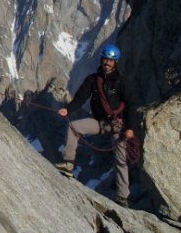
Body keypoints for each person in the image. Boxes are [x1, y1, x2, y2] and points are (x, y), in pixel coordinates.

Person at [55, 44, 136, 207]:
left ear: (115, 63)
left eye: (111, 61)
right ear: (102, 59)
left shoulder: (121, 82)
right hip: (99, 122)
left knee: (120, 160)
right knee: (74, 127)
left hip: (117, 126)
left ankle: (122, 197)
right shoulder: (92, 80)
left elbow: (130, 105)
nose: (107, 63)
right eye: (106, 59)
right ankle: (68, 163)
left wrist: (130, 128)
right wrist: (67, 110)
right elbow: (80, 98)